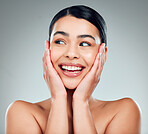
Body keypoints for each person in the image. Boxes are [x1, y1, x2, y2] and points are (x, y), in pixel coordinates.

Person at [5, 5, 141, 134]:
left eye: (85, 43)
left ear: (103, 54)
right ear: (48, 49)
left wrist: (81, 102)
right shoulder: (20, 112)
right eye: (60, 41)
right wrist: (58, 99)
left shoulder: (124, 111)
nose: (71, 53)